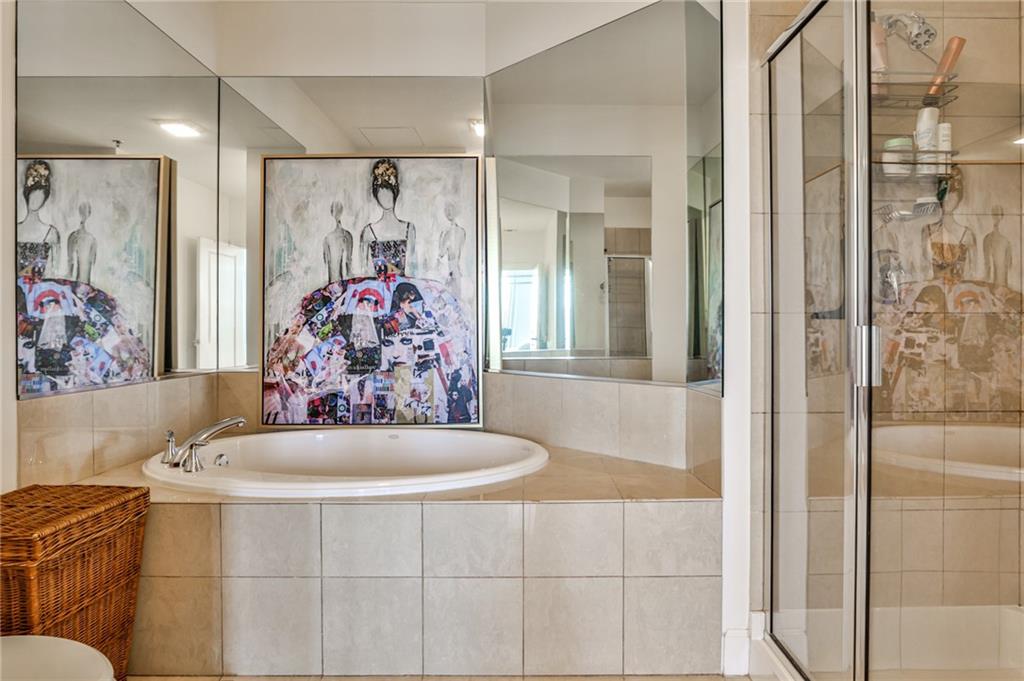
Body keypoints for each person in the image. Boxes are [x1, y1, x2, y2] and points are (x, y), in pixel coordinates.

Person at [359, 159, 417, 277]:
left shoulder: (408, 228)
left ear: (395, 192)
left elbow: (412, 268)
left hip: (402, 290)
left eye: (388, 192)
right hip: (377, 291)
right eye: (381, 192)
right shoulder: (369, 232)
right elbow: (366, 271)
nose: (386, 197)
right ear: (376, 196)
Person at [17, 160, 61, 279]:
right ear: (26, 195)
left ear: (45, 199)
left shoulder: (51, 233)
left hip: (41, 292)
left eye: (40, 195)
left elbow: (53, 271)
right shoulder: (15, 229)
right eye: (33, 194)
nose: (36, 200)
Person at [322, 199, 353, 283]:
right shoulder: (328, 238)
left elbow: (349, 261)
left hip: (342, 282)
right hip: (334, 281)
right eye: (335, 211)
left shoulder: (347, 235)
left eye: (339, 210)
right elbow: (327, 262)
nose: (337, 214)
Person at [67, 201, 98, 284]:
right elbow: (70, 261)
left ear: (89, 214)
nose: (84, 215)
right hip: (75, 283)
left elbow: (92, 263)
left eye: (86, 211)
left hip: (86, 283)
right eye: (82, 211)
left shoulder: (92, 239)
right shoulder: (73, 237)